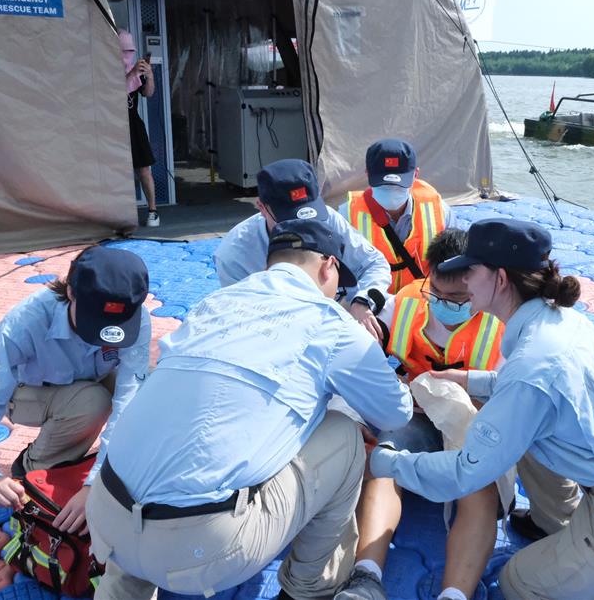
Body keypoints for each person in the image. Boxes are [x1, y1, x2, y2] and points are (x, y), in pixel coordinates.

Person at [370, 218, 594, 600]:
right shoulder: (558, 318)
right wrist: (468, 380)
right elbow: (533, 388)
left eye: (469, 272)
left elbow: (464, 474)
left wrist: (385, 462)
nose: (463, 283)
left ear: (501, 279)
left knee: (520, 583)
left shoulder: (531, 367)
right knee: (525, 433)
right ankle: (554, 524)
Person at [86, 218, 413, 600]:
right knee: (344, 435)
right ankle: (309, 589)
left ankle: (121, 588)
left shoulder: (212, 304)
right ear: (329, 267)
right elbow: (394, 415)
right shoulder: (333, 324)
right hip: (199, 550)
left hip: (105, 520)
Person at [335, 229, 504, 600]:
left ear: (479, 284)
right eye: (437, 295)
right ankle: (366, 577)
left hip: (476, 422)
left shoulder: (503, 324)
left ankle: (454, 594)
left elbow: (510, 397)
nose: (445, 304)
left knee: (479, 489)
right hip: (416, 415)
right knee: (382, 462)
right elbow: (360, 363)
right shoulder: (406, 303)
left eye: (458, 298)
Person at [0, 245, 151, 534]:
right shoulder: (25, 322)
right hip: (25, 392)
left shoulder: (136, 321)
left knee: (150, 395)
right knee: (92, 403)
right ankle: (33, 469)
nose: (104, 334)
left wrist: (99, 483)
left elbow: (130, 397)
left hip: (87, 380)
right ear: (70, 293)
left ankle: (77, 461)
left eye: (115, 324)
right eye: (95, 321)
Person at [214, 158, 392, 341]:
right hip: (279, 329)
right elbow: (248, 322)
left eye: (311, 216)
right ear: (262, 207)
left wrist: (362, 302)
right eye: (291, 221)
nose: (304, 228)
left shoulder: (330, 219)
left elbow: (374, 263)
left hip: (341, 313)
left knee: (392, 310)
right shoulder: (234, 255)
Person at [339, 138, 455, 295]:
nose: (391, 190)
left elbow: (453, 266)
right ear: (367, 174)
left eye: (399, 185)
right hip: (370, 307)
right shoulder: (346, 215)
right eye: (384, 184)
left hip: (423, 304)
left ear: (416, 175)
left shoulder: (440, 211)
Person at [120, 29, 160, 227]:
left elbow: (148, 93)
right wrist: (132, 73)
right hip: (114, 124)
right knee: (118, 171)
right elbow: (115, 94)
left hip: (133, 123)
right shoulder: (106, 69)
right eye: (124, 51)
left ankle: (153, 210)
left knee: (144, 169)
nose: (128, 56)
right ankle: (122, 213)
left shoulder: (137, 69)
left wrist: (149, 75)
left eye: (131, 51)